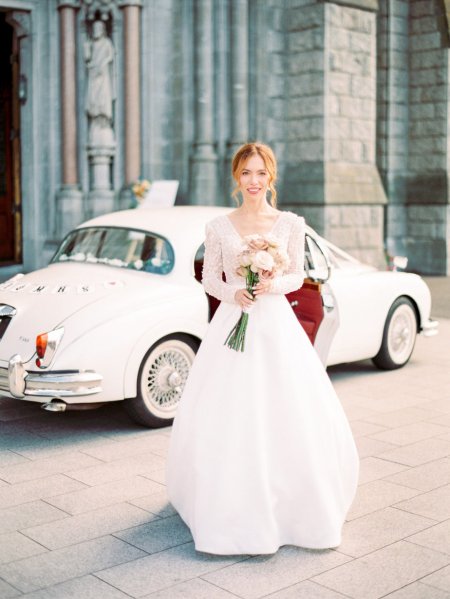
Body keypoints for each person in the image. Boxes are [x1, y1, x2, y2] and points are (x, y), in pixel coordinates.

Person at [166, 142, 359, 555]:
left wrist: (269, 284)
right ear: (236, 178)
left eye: (261, 173)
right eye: (246, 173)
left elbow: (297, 275)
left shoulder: (290, 223)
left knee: (286, 408)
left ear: (271, 177)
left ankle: (292, 505)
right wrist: (237, 291)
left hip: (276, 326)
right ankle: (225, 503)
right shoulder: (219, 226)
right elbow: (211, 281)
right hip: (233, 324)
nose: (254, 181)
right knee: (229, 410)